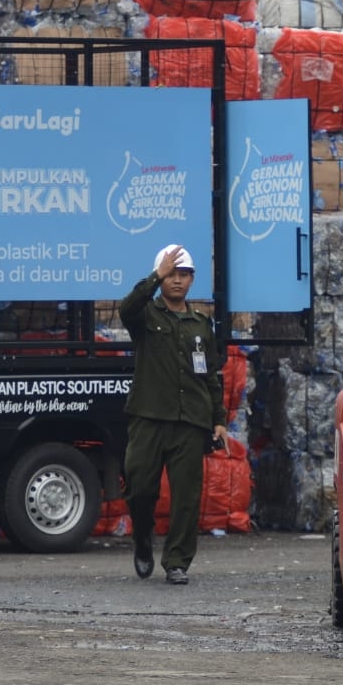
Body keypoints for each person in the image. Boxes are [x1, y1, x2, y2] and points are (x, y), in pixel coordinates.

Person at [118, 243, 227, 585]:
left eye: (184, 274)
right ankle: (142, 538)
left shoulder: (200, 324)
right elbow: (126, 308)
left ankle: (177, 562)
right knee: (139, 487)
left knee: (186, 497)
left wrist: (219, 420)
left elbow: (211, 375)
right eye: (171, 274)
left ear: (192, 279)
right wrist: (156, 275)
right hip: (149, 416)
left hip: (190, 421)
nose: (177, 280)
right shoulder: (146, 316)